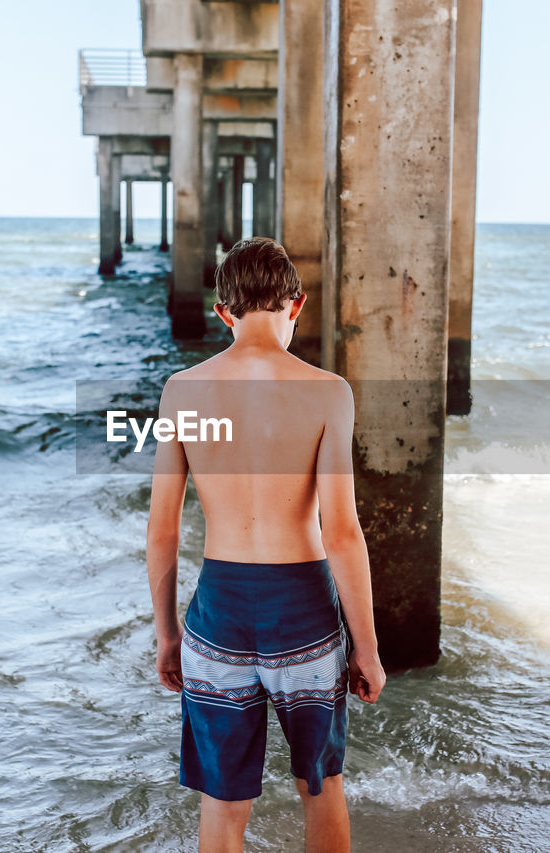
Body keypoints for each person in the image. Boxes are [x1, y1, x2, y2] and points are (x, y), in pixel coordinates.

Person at [146, 236, 386, 852]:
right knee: (320, 789)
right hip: (302, 613)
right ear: (296, 305)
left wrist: (168, 633)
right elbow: (342, 532)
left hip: (218, 617)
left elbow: (164, 531)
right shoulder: (328, 391)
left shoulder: (183, 391)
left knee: (223, 806)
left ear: (224, 312)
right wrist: (367, 646)